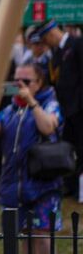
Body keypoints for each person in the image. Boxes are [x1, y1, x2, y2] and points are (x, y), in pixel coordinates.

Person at [0, 63, 64, 254]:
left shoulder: (49, 103)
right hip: (14, 182)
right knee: (23, 234)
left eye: (26, 81)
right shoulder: (10, 109)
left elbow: (48, 127)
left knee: (42, 234)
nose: (20, 85)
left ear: (39, 83)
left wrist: (32, 103)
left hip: (43, 183)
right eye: (16, 80)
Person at [37, 20, 83, 199]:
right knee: (69, 147)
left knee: (80, 146)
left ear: (51, 35)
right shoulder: (56, 53)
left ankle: (78, 186)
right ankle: (70, 185)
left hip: (78, 107)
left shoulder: (77, 44)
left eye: (45, 40)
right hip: (65, 109)